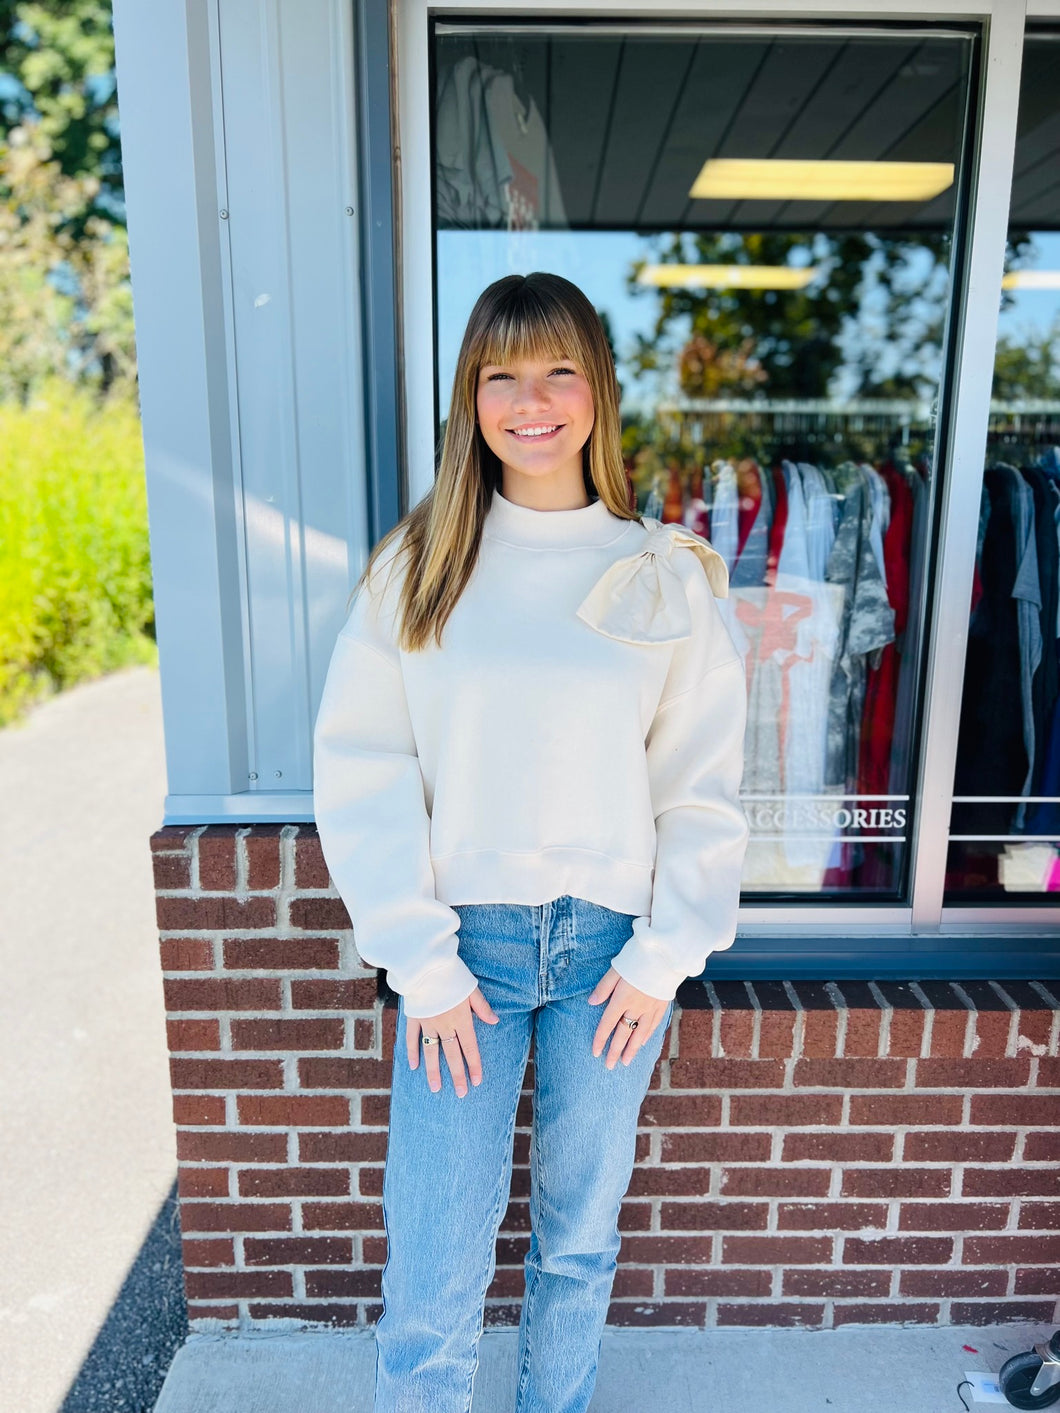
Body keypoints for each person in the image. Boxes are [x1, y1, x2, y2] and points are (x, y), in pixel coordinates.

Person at [312, 271, 750, 1413]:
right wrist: (422, 964)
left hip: (612, 962)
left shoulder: (663, 573)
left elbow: (699, 784)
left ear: (598, 389)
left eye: (559, 368)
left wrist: (664, 958)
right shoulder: (420, 567)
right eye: (501, 373)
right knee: (437, 1265)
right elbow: (364, 772)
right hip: (465, 960)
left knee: (575, 1247)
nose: (532, 399)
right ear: (471, 397)